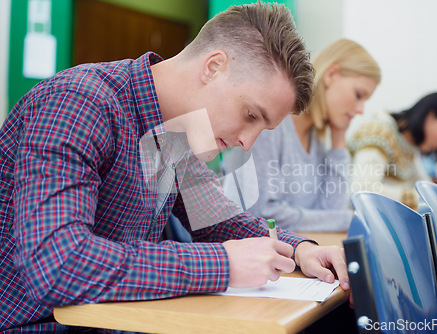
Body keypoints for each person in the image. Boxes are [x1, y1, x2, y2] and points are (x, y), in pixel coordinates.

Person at [0, 3, 352, 332]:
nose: (248, 142)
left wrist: (299, 249)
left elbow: (221, 222)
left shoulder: (179, 134)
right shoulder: (79, 104)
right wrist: (222, 265)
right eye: (249, 115)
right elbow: (57, 265)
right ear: (213, 67)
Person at [222, 39, 381, 232]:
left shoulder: (317, 139)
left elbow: (330, 212)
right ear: (331, 75)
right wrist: (347, 219)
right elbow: (261, 213)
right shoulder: (271, 122)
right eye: (358, 95)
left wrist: (339, 139)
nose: (361, 110)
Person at [348, 91, 437, 209]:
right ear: (430, 115)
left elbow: (423, 184)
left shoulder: (409, 144)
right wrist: (432, 196)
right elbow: (362, 189)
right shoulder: (379, 132)